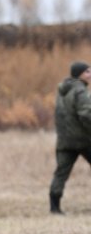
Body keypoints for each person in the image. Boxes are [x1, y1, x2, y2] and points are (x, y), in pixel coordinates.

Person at [48, 61, 91, 214]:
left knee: (61, 173)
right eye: (87, 72)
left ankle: (54, 207)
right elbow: (86, 115)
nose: (90, 75)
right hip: (84, 139)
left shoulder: (62, 90)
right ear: (79, 74)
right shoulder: (80, 90)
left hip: (65, 140)